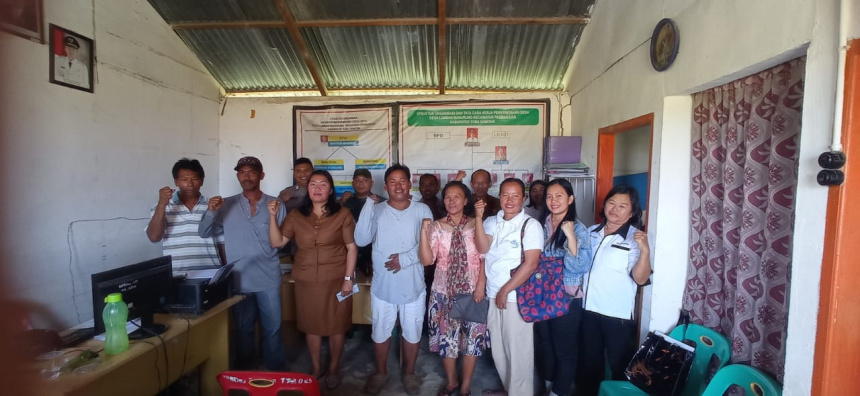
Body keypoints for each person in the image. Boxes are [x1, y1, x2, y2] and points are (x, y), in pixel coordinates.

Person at [268, 170, 357, 390]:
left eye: (323, 184)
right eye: (313, 184)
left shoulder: (343, 214)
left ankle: (334, 367)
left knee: (337, 326)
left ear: (330, 189)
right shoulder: (297, 215)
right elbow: (277, 242)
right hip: (306, 279)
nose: (317, 188)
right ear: (308, 189)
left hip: (337, 277)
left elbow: (351, 247)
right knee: (311, 326)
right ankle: (317, 367)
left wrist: (348, 279)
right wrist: (271, 216)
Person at [198, 156, 286, 371]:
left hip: (268, 278)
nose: (246, 176)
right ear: (237, 175)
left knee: (272, 329)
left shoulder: (276, 204)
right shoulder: (225, 204)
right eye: (242, 172)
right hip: (240, 279)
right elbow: (204, 232)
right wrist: (211, 211)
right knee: (243, 329)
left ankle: (275, 371)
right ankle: (245, 372)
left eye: (252, 171)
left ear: (261, 175)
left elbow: (281, 241)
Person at [354, 164, 433, 395]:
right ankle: (380, 372)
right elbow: (360, 239)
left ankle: (409, 373)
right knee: (380, 332)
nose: (398, 186)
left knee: (412, 332)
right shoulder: (376, 210)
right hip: (383, 287)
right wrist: (369, 203)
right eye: (392, 182)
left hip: (414, 286)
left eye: (402, 181)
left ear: (409, 184)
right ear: (386, 186)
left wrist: (405, 258)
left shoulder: (422, 210)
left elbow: (429, 245)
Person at [577, 185, 652, 396]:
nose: (615, 209)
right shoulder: (591, 232)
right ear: (604, 204)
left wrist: (645, 251)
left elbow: (640, 278)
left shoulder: (635, 238)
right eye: (611, 203)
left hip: (617, 315)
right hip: (588, 309)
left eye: (622, 206)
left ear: (632, 212)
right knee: (590, 362)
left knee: (619, 365)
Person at [474, 178, 543, 396]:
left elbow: (531, 264)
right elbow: (482, 247)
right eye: (505, 195)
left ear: (523, 198)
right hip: (494, 294)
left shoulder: (530, 225)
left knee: (518, 351)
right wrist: (477, 217)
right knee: (500, 349)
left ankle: (520, 392)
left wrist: (505, 290)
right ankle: (510, 390)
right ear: (499, 196)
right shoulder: (492, 222)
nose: (510, 200)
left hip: (516, 297)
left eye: (515, 195)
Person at [418, 181, 487, 396]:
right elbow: (427, 260)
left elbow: (485, 256)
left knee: (472, 341)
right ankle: (452, 382)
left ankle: (466, 386)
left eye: (457, 197)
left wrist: (481, 285)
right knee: (447, 340)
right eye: (447, 197)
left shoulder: (476, 224)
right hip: (443, 292)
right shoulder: (437, 226)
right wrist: (423, 231)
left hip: (472, 290)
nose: (452, 201)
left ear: (466, 200)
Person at [534, 179, 592, 396]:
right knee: (546, 345)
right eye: (549, 196)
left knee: (564, 350)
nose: (553, 200)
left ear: (570, 199)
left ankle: (559, 391)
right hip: (541, 295)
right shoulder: (540, 226)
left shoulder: (578, 228)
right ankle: (549, 386)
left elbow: (580, 267)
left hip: (567, 297)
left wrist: (570, 237)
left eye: (559, 196)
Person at [146, 158, 225, 270]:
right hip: (177, 276)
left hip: (210, 274)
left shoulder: (213, 206)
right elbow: (154, 237)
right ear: (176, 182)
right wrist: (162, 204)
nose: (190, 184)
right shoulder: (161, 207)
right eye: (184, 179)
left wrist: (225, 273)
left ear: (202, 181)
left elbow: (221, 243)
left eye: (194, 179)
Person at [339, 168, 384, 276]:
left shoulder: (381, 202)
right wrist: (340, 203)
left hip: (374, 254)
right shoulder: (346, 203)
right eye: (357, 180)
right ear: (353, 183)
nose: (361, 183)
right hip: (350, 253)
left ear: (371, 183)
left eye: (365, 180)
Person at [278, 157, 313, 257]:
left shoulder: (322, 190)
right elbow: (276, 216)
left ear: (313, 171)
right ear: (294, 174)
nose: (303, 174)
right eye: (299, 171)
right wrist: (281, 201)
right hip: (293, 243)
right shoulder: (286, 192)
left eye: (306, 170)